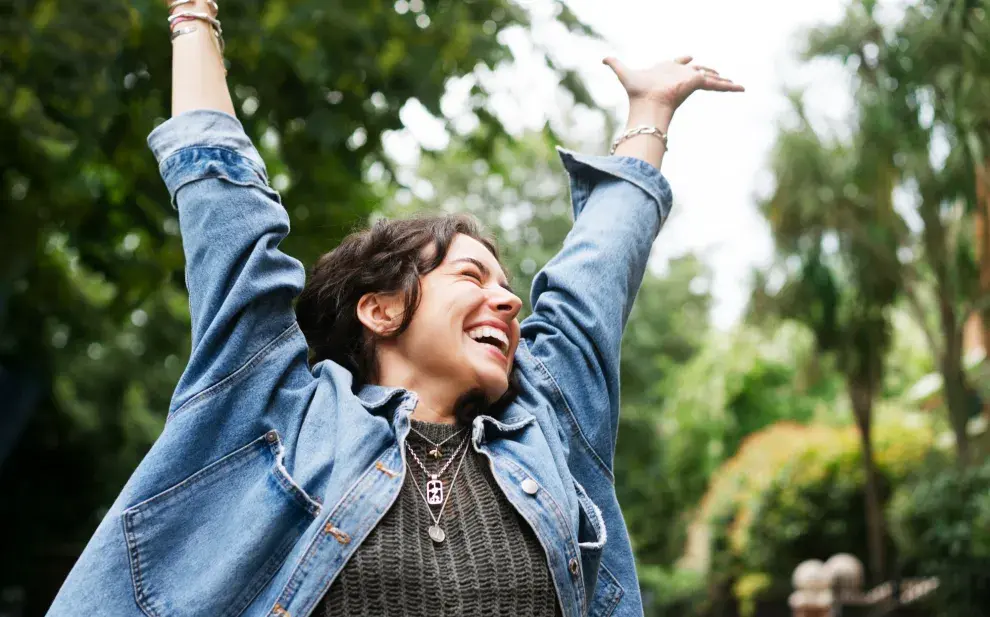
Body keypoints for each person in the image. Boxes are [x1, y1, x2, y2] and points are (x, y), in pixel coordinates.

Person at [46, 2, 742, 616]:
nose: (507, 299)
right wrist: (193, 16)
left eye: (507, 286)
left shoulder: (548, 423)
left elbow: (595, 279)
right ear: (380, 311)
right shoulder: (279, 414)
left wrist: (649, 114)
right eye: (471, 274)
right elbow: (225, 210)